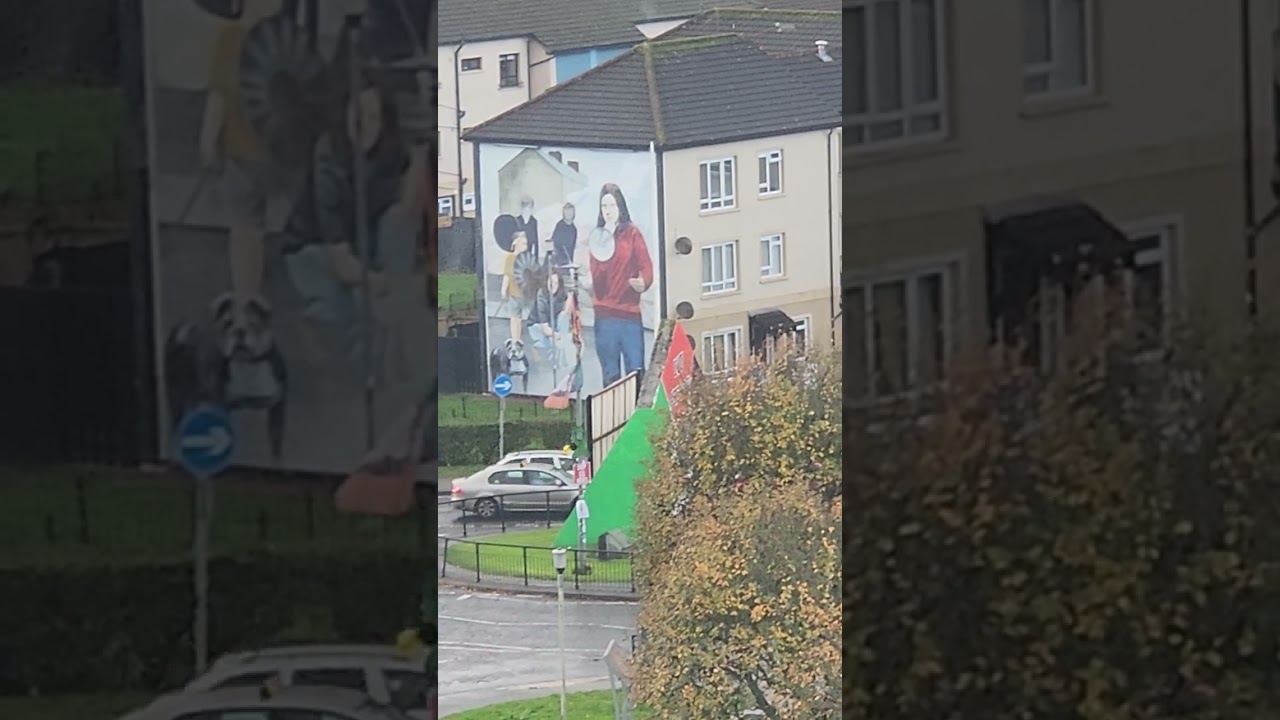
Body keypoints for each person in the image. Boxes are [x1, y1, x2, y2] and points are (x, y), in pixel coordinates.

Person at [281, 70, 427, 371]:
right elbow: (338, 255)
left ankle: (383, 336)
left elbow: (408, 211)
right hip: (316, 249)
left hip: (363, 248)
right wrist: (381, 285)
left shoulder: (388, 151)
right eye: (358, 115)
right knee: (347, 309)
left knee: (397, 225)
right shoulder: (328, 155)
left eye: (374, 117)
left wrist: (419, 156)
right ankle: (312, 323)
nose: (365, 126)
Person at [586, 183, 653, 386]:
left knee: (636, 371)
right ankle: (613, 417)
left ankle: (636, 415)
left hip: (629, 314)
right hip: (605, 316)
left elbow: (646, 265)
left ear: (620, 207)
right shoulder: (598, 238)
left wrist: (643, 282)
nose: (608, 211)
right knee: (610, 375)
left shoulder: (632, 234)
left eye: (612, 205)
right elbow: (597, 280)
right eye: (604, 205)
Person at [529, 260, 571, 368]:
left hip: (554, 322)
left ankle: (563, 357)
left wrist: (565, 311)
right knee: (548, 343)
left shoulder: (561, 292)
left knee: (563, 318)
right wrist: (557, 336)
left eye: (556, 283)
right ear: (546, 282)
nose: (553, 286)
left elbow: (568, 299)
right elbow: (545, 328)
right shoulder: (541, 296)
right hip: (538, 325)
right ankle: (548, 360)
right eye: (551, 283)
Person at [550, 202, 577, 267]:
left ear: (573, 213)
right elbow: (555, 245)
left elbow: (572, 249)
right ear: (563, 213)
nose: (568, 214)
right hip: (557, 263)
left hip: (568, 263)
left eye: (570, 211)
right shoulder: (559, 226)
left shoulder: (574, 229)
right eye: (566, 212)